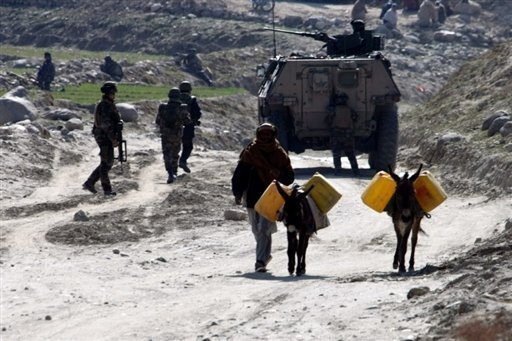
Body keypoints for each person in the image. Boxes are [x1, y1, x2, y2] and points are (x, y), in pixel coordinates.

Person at [231, 123, 295, 273]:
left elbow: (290, 177)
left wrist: (279, 174)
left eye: (268, 134)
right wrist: (237, 193)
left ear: (273, 135)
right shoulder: (250, 152)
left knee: (263, 229)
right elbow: (239, 175)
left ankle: (260, 261)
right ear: (259, 135)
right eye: (263, 134)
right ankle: (265, 255)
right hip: (252, 196)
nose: (266, 137)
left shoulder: (280, 154)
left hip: (271, 197)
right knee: (256, 229)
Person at [83, 82, 122, 196]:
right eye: (113, 92)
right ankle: (106, 190)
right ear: (110, 93)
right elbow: (106, 124)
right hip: (104, 136)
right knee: (106, 162)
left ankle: (90, 182)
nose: (114, 94)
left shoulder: (108, 104)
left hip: (104, 135)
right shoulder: (105, 105)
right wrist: (113, 139)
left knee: (107, 162)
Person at [155, 87, 191, 183]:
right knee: (175, 154)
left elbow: (157, 121)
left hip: (165, 135)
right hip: (177, 135)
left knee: (167, 154)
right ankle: (174, 173)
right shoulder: (182, 107)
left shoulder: (162, 107)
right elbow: (187, 122)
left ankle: (170, 173)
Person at [325, 94, 359, 176]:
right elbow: (355, 118)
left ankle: (338, 170)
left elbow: (328, 120)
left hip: (336, 133)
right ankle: (355, 171)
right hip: (348, 134)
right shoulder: (349, 110)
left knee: (337, 153)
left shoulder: (333, 110)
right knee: (350, 153)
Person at [178, 81, 202, 173]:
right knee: (188, 146)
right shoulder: (192, 99)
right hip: (188, 126)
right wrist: (195, 120)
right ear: (190, 90)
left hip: (173, 127)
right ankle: (183, 160)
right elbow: (197, 113)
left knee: (174, 146)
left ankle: (172, 166)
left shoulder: (175, 98)